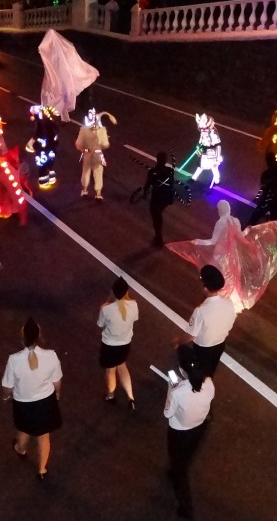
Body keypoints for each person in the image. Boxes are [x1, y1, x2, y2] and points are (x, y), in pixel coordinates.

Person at [168, 200, 277, 313]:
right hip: (232, 255)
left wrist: (198, 241)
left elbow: (213, 241)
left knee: (216, 277)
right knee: (230, 277)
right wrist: (247, 230)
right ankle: (230, 300)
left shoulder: (221, 222)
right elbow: (240, 237)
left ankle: (214, 299)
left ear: (220, 210)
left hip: (220, 255)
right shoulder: (235, 221)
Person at [2, 318, 63, 480]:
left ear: (22, 337)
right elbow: (57, 381)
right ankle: (42, 469)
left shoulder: (14, 360)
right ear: (39, 336)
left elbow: (7, 386)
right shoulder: (51, 355)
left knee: (24, 429)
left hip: (23, 404)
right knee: (43, 436)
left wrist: (6, 396)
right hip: (46, 402)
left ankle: (20, 449)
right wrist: (57, 394)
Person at [164, 345, 215, 520]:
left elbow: (167, 413)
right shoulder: (209, 384)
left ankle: (186, 508)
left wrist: (171, 388)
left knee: (180, 469)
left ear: (181, 370)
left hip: (179, 432)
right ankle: (175, 470)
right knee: (185, 458)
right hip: (198, 428)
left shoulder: (178, 392)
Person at [180, 265, 236, 377]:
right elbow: (230, 322)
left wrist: (179, 341)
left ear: (205, 288)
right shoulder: (229, 303)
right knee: (211, 367)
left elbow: (191, 336)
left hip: (203, 347)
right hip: (220, 344)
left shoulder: (200, 311)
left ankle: (193, 380)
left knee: (198, 367)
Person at [98, 276, 138, 409]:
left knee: (111, 371)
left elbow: (100, 324)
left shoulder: (106, 308)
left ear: (113, 292)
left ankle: (110, 395)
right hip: (125, 344)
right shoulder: (134, 305)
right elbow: (135, 319)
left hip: (109, 346)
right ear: (126, 292)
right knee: (122, 366)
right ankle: (131, 398)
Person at [75, 108, 116, 201]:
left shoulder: (84, 130)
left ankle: (85, 190)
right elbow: (105, 144)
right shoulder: (102, 130)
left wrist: (85, 149)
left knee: (86, 172)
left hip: (87, 154)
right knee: (98, 173)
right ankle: (98, 193)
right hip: (98, 155)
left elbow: (78, 144)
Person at [142, 151, 176, 247]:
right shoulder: (170, 171)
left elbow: (148, 184)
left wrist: (145, 194)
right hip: (166, 197)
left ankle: (158, 238)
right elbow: (171, 184)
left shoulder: (153, 171)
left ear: (157, 159)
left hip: (157, 197)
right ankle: (158, 237)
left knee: (156, 217)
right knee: (158, 214)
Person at [247, 152, 277, 227]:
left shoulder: (268, 173)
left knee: (256, 215)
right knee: (274, 219)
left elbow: (264, 182)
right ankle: (275, 232)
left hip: (268, 198)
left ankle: (247, 229)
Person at [25, 105, 59, 188]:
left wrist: (34, 145)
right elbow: (55, 136)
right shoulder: (52, 123)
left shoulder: (40, 124)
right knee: (50, 164)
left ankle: (44, 180)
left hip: (43, 150)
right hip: (51, 149)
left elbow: (38, 136)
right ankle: (51, 177)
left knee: (42, 165)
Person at [190, 113, 223, 188]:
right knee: (201, 165)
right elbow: (201, 138)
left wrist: (218, 156)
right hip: (204, 149)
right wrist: (199, 145)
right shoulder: (203, 130)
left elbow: (218, 144)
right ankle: (194, 178)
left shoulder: (213, 132)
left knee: (214, 167)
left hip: (212, 151)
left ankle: (217, 181)